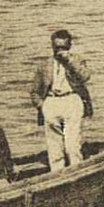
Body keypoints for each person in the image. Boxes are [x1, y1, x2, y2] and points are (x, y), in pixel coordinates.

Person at [30, 29, 93, 171]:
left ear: (69, 46)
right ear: (52, 46)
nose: (60, 51)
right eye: (57, 47)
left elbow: (85, 77)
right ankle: (57, 176)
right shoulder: (44, 65)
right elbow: (34, 91)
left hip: (71, 100)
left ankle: (77, 173)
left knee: (72, 145)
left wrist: (69, 61)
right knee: (54, 148)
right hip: (51, 102)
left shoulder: (77, 60)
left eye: (63, 47)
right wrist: (43, 106)